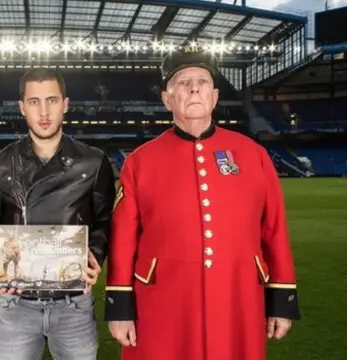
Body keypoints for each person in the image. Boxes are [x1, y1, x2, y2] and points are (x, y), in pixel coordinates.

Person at [104, 48, 301, 360]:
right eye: (183, 83)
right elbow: (123, 238)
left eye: (202, 82)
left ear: (215, 96)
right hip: (162, 299)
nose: (194, 88)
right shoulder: (140, 161)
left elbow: (274, 228)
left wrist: (281, 297)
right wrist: (119, 306)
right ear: (167, 100)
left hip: (238, 295)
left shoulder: (252, 155)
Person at [0, 68, 116, 360]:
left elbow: (105, 220)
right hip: (16, 303)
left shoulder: (94, 161)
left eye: (52, 100)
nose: (44, 112)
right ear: (22, 107)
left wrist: (95, 254)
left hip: (73, 305)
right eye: (34, 102)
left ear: (65, 104)